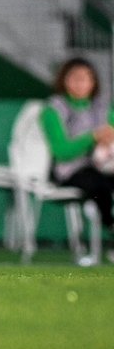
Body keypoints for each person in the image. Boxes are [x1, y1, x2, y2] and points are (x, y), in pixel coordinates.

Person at [41, 57, 114, 238]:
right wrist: (92, 137)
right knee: (99, 186)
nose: (81, 83)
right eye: (75, 78)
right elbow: (61, 151)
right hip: (69, 172)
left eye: (86, 78)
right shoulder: (53, 110)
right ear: (64, 80)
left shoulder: (103, 108)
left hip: (104, 166)